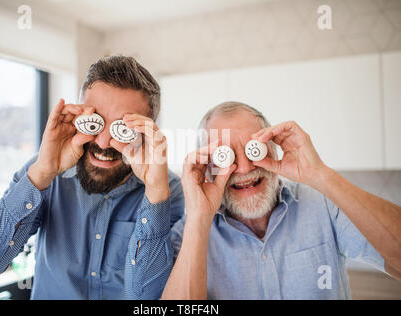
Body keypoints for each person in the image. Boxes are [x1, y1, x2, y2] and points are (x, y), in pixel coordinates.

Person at [0, 56, 184, 299]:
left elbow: (147, 300)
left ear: (148, 131)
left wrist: (155, 196)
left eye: (123, 128)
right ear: (80, 116)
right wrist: (42, 173)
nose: (103, 142)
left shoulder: (168, 191)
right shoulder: (45, 171)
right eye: (96, 122)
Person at [162, 101, 401, 299]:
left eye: (253, 149)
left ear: (274, 149)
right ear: (206, 167)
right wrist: (199, 219)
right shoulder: (187, 235)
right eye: (226, 156)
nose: (244, 168)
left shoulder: (323, 205)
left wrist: (320, 174)